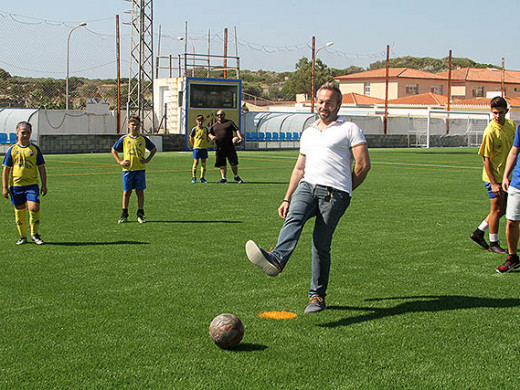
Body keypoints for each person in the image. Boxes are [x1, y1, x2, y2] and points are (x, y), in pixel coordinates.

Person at [245, 82, 371, 313]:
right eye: (321, 102)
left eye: (329, 103)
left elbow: (363, 165)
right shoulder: (309, 131)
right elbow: (300, 168)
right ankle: (277, 259)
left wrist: (346, 188)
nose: (324, 107)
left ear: (338, 105)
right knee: (293, 217)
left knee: (320, 244)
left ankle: (317, 298)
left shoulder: (350, 129)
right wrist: (286, 198)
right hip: (307, 186)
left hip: (334, 193)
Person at [470, 96, 515, 254]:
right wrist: (494, 183)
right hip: (494, 178)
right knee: (496, 209)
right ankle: (494, 243)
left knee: (504, 209)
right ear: (491, 112)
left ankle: (479, 232)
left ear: (506, 112)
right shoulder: (490, 131)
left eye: (501, 112)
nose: (497, 116)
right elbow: (485, 159)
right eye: (495, 113)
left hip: (507, 177)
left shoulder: (511, 125)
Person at [2, 121, 47, 245]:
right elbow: (6, 169)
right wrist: (5, 188)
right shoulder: (12, 150)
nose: (26, 135)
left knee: (34, 207)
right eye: (23, 132)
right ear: (17, 133)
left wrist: (44, 184)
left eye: (28, 132)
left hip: (32, 185)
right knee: (19, 209)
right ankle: (22, 236)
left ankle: (35, 234)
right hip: (16, 186)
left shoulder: (34, 149)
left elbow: (41, 167)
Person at [111, 115, 157, 224]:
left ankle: (140, 214)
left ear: (140, 125)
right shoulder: (125, 138)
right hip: (127, 170)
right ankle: (124, 214)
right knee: (127, 192)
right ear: (128, 126)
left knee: (140, 192)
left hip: (140, 170)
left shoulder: (143, 139)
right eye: (132, 125)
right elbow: (113, 150)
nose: (135, 127)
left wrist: (147, 160)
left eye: (137, 124)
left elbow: (153, 149)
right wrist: (120, 161)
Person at [497, 125, 520, 272]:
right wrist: (506, 175)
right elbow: (514, 151)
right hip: (518, 182)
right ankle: (512, 258)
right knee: (511, 221)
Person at [208, 110, 244, 184]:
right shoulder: (214, 125)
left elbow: (236, 129)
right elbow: (209, 133)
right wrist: (211, 136)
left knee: (233, 163)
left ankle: (236, 177)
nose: (219, 116)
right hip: (220, 147)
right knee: (222, 163)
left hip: (230, 146)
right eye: (218, 115)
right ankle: (223, 178)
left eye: (221, 115)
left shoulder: (229, 123)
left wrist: (240, 138)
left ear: (224, 115)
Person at [189, 114, 209, 184]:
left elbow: (207, 137)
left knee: (203, 163)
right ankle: (194, 177)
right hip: (197, 148)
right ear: (196, 121)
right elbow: (191, 138)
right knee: (196, 162)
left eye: (201, 121)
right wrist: (194, 145)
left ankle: (202, 178)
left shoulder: (205, 129)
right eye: (199, 120)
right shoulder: (195, 129)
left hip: (204, 148)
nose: (200, 122)